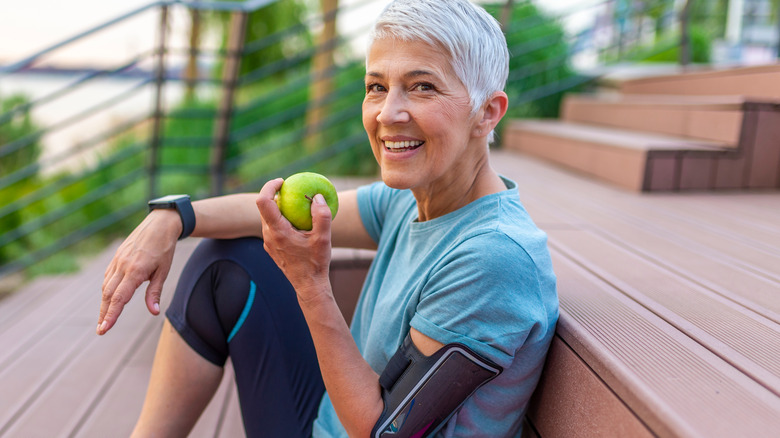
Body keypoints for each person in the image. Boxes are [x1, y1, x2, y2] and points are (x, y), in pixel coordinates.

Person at [97, 0, 558, 436]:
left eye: (423, 87)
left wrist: (311, 285)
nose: (388, 113)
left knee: (227, 264)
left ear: (487, 112)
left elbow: (386, 431)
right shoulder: (413, 198)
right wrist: (173, 217)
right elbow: (270, 210)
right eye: (377, 87)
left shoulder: (493, 259)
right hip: (333, 415)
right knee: (227, 260)